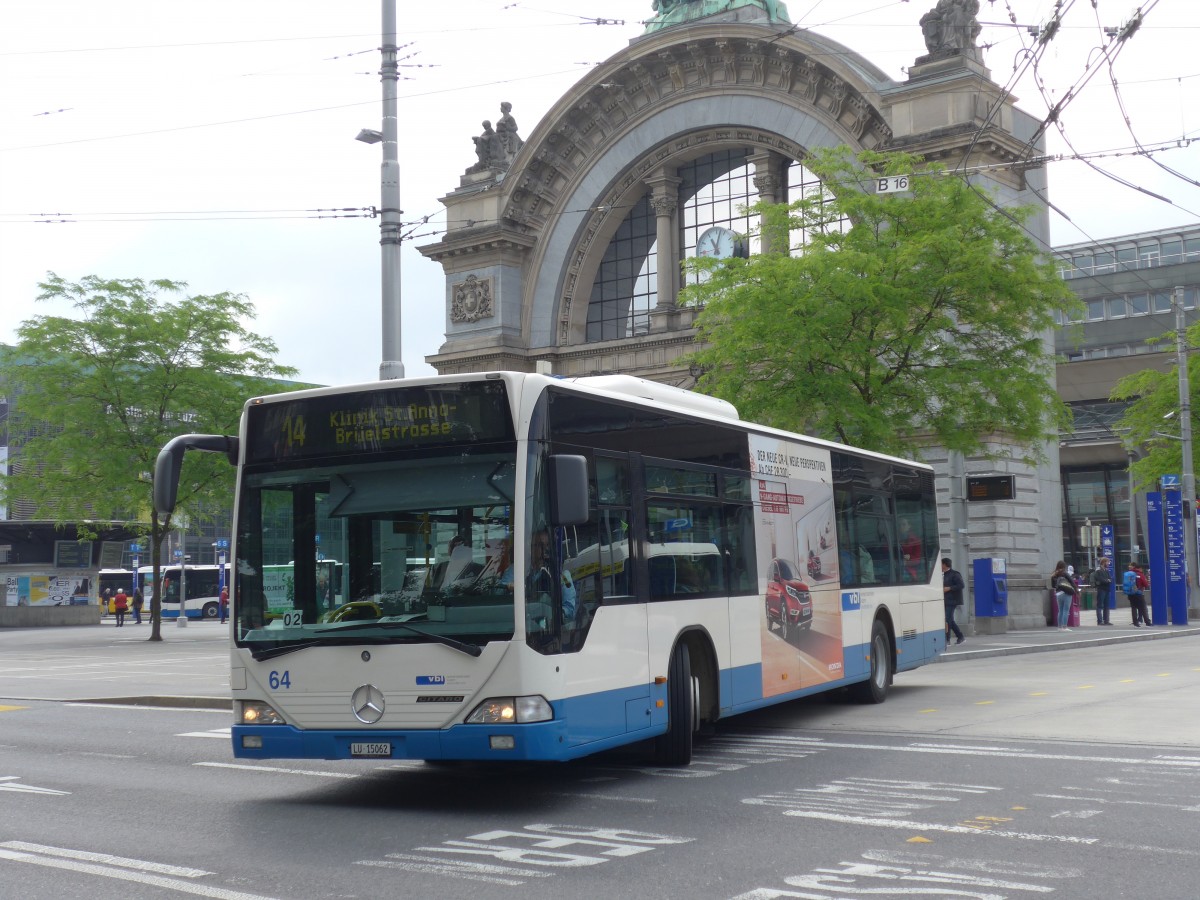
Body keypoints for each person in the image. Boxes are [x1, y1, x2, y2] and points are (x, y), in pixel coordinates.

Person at [941, 558, 965, 644]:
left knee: (947, 619)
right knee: (949, 619)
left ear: (944, 564)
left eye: (941, 564)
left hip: (952, 600)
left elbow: (961, 585)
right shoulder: (942, 574)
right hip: (944, 600)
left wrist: (949, 588)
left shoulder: (954, 574)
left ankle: (947, 639)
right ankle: (960, 636)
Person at [1050, 560, 1077, 631]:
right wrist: (1076, 591)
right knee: (1066, 610)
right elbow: (1072, 582)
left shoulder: (1053, 574)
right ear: (1064, 566)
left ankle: (1059, 627)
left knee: (1060, 610)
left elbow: (1053, 585)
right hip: (1066, 592)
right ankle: (1065, 627)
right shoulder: (1064, 573)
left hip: (1058, 594)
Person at [1122, 562, 1151, 627]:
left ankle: (1135, 622)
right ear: (1139, 568)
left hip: (1130, 593)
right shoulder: (1140, 574)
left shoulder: (1128, 574)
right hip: (1139, 593)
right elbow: (1145, 584)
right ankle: (1147, 622)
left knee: (1133, 608)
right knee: (1143, 608)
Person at [1089, 558, 1113, 625]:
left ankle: (1106, 620)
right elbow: (1101, 579)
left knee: (1106, 605)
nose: (1108, 563)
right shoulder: (1098, 570)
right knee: (1100, 605)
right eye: (1107, 562)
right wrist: (1107, 580)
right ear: (1103, 562)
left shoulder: (1106, 570)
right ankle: (1100, 621)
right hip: (1101, 589)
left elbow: (1110, 579)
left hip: (1107, 589)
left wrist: (1108, 580)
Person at [899, 518, 922, 582]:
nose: (901, 527)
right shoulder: (895, 538)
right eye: (899, 525)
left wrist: (906, 560)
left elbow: (917, 559)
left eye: (904, 524)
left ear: (909, 526)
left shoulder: (915, 540)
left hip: (909, 570)